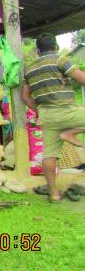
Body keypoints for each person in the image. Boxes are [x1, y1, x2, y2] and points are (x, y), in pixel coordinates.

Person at [21, 33, 85, 202]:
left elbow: (25, 97)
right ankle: (70, 133)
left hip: (47, 116)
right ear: (55, 47)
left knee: (49, 154)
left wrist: (39, 111)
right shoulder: (60, 60)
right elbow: (82, 79)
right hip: (67, 111)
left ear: (37, 50)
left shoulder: (29, 68)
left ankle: (54, 194)